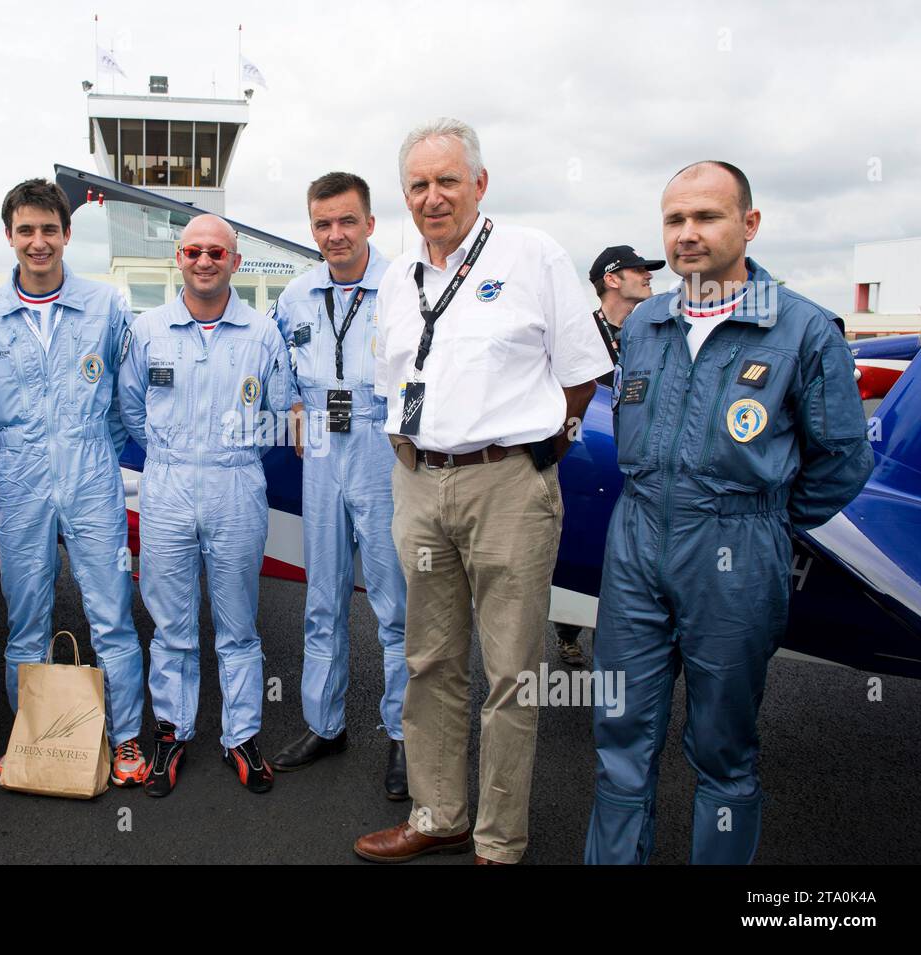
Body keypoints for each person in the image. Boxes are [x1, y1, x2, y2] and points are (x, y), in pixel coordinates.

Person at [585, 161, 874, 865]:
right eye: (675, 220)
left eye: (706, 217)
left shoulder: (802, 329)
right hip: (637, 546)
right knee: (620, 731)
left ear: (748, 224)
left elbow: (843, 458)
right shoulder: (647, 322)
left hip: (736, 553)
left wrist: (762, 518)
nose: (687, 234)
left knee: (723, 746)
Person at [353, 117, 613, 865]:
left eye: (448, 181)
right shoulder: (398, 279)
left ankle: (499, 841)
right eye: (419, 185)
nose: (433, 197)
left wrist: (541, 453)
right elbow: (391, 382)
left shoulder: (534, 255)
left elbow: (581, 370)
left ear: (479, 184)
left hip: (508, 487)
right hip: (419, 484)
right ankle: (439, 813)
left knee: (512, 672)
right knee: (429, 660)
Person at [0, 179, 146, 787]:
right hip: (19, 479)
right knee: (26, 619)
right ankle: (32, 737)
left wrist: (90, 449)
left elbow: (125, 403)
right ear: (10, 236)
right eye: (26, 231)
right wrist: (22, 454)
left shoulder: (105, 307)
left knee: (112, 614)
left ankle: (124, 740)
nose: (38, 242)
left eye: (50, 230)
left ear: (67, 234)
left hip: (92, 473)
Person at [119, 213, 294, 797]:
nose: (204, 260)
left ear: (235, 263)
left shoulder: (263, 334)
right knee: (170, 623)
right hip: (167, 483)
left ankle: (241, 735)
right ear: (179, 258)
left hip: (235, 485)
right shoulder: (148, 330)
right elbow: (132, 410)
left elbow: (277, 412)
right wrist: (174, 455)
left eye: (216, 253)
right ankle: (172, 732)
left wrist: (228, 454)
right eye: (193, 250)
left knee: (239, 624)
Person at [269, 172, 409, 799]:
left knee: (394, 604)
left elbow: (428, 366)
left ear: (370, 224)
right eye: (323, 224)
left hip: (381, 443)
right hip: (321, 444)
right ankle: (325, 725)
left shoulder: (406, 286)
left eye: (346, 221)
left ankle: (406, 736)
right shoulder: (296, 294)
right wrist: (291, 404)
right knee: (321, 595)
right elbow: (276, 363)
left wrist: (411, 428)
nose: (335, 235)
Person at [555, 245, 666, 668]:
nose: (649, 276)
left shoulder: (652, 333)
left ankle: (618, 642)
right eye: (640, 270)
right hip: (590, 453)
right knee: (582, 539)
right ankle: (568, 629)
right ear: (613, 279)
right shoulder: (580, 332)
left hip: (640, 458)